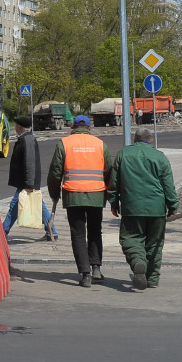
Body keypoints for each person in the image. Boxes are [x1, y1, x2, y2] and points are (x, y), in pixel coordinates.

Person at [108, 126, 180, 291]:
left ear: (134, 140)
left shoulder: (123, 154)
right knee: (155, 243)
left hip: (131, 207)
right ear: (151, 141)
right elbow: (168, 185)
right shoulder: (160, 157)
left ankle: (138, 261)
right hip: (156, 208)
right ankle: (152, 279)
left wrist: (113, 202)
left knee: (131, 238)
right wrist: (173, 206)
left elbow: (114, 182)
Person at [47, 114, 110, 288]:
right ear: (89, 128)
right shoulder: (100, 144)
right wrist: (111, 196)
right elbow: (109, 172)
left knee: (78, 234)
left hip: (73, 194)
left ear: (73, 127)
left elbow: (55, 172)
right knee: (95, 231)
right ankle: (96, 267)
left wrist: (54, 193)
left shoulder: (64, 143)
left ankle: (85, 275)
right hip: (96, 195)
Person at [2, 115, 57, 240]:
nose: (15, 127)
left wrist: (29, 184)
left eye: (16, 126)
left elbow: (30, 163)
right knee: (39, 205)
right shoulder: (26, 139)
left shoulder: (27, 141)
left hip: (26, 183)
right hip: (26, 181)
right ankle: (52, 232)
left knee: (14, 206)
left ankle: (3, 233)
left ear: (19, 127)